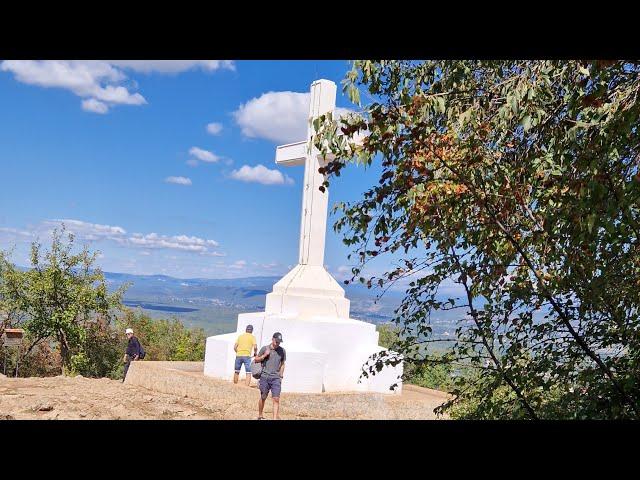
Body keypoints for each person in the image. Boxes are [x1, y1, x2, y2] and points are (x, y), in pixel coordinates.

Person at [255, 332, 286, 420]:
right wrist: (264, 355)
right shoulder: (265, 348)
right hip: (264, 377)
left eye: (279, 342)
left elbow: (283, 364)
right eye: (276, 342)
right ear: (272, 339)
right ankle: (260, 415)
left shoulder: (282, 351)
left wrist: (281, 376)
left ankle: (275, 418)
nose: (278, 344)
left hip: (276, 378)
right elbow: (256, 359)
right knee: (263, 397)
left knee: (276, 398)